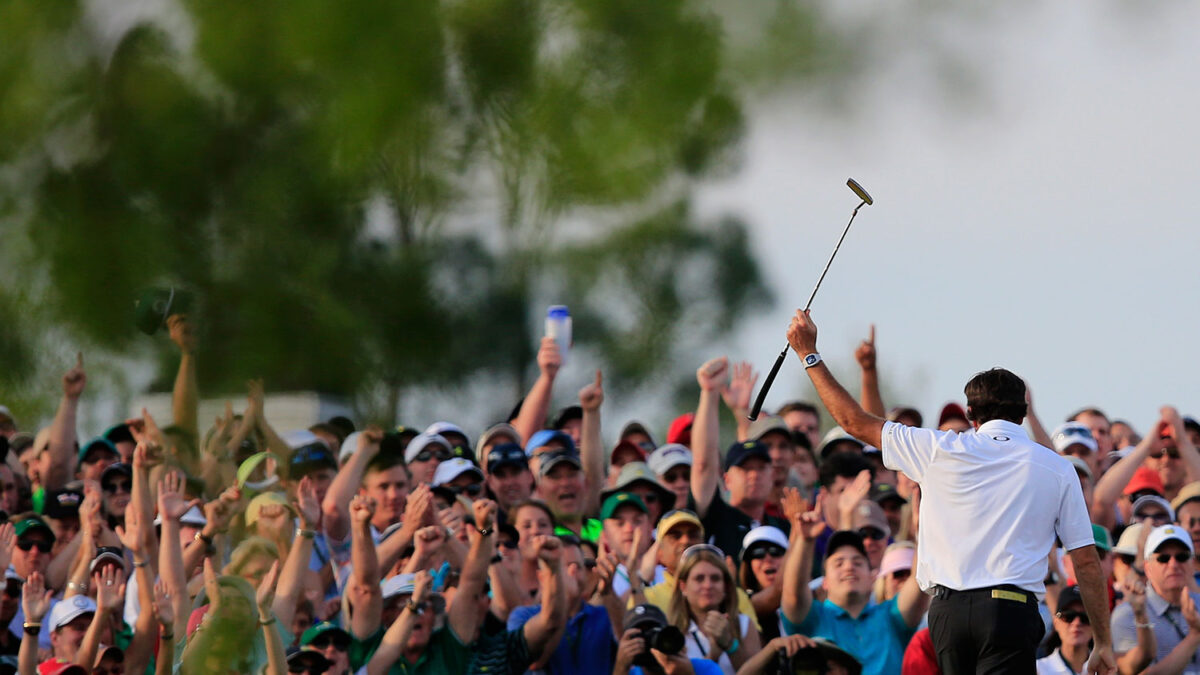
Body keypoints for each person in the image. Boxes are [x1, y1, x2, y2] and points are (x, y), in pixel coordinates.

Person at [784, 309, 1113, 675]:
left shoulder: (938, 448)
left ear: (972, 414)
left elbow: (853, 422)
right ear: (1022, 413)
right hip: (1010, 611)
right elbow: (1084, 561)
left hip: (947, 613)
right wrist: (1103, 642)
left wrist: (807, 354)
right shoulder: (1057, 467)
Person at [1111, 524, 1200, 674]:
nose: (1173, 564)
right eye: (1163, 558)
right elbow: (1133, 671)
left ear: (1192, 564)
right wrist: (1194, 636)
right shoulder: (1128, 614)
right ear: (1147, 567)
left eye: (1181, 557)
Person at [665, 544, 762, 674]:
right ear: (683, 587)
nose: (708, 585)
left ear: (726, 587)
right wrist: (713, 655)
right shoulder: (670, 632)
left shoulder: (744, 624)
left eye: (715, 578)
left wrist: (729, 645)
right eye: (699, 579)